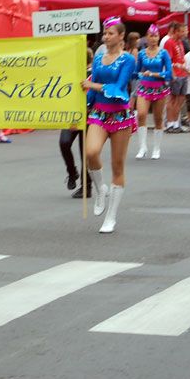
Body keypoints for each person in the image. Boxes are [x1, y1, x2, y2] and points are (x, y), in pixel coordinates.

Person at [83, 17, 136, 233]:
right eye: (105, 33)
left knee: (117, 165)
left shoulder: (128, 60)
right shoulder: (97, 58)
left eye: (110, 33)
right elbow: (92, 84)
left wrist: (92, 85)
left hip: (121, 117)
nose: (106, 36)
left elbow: (119, 86)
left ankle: (111, 217)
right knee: (91, 152)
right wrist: (86, 103)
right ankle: (100, 188)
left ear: (121, 36)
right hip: (99, 114)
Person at [133, 24, 172, 159]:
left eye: (156, 36)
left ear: (158, 37)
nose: (153, 39)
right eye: (151, 36)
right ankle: (142, 146)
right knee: (141, 114)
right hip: (144, 87)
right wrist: (138, 74)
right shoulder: (142, 53)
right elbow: (137, 71)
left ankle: (156, 148)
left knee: (158, 118)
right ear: (147, 37)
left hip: (159, 88)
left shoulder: (163, 53)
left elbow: (169, 73)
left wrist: (154, 74)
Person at [61, 48, 95, 195]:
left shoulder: (95, 74)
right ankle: (72, 172)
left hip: (90, 115)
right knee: (64, 142)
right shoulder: (72, 73)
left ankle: (86, 187)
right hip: (73, 115)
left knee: (85, 152)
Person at [162, 21, 189, 132]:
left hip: (183, 74)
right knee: (172, 100)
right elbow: (168, 60)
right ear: (176, 31)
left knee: (180, 100)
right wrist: (172, 74)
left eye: (184, 31)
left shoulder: (180, 43)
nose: (184, 33)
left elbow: (181, 58)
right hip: (176, 75)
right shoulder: (169, 42)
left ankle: (176, 123)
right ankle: (169, 124)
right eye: (182, 31)